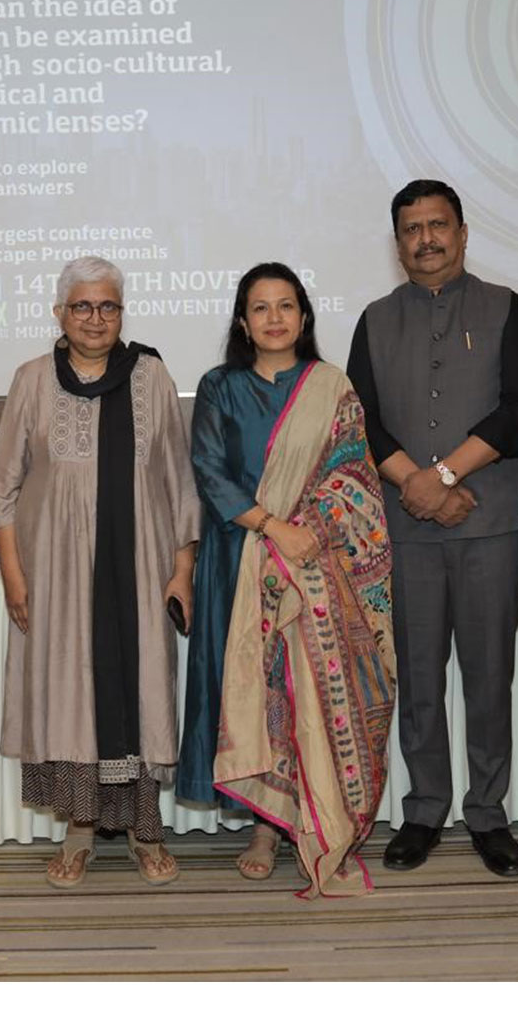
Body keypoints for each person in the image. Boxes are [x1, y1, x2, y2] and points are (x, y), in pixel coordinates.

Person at [346, 179, 518, 878]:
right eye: (411, 229)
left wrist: (447, 478)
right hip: (407, 534)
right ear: (397, 242)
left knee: (490, 679)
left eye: (438, 226)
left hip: (488, 528)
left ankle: (488, 815)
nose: (425, 239)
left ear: (462, 233)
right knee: (419, 680)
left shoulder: (507, 310)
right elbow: (362, 419)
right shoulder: (374, 320)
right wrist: (416, 485)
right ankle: (425, 808)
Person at [182, 263, 396, 898]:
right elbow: (208, 470)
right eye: (259, 308)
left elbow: (354, 477)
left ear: (303, 317)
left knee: (302, 691)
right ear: (243, 323)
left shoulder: (331, 386)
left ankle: (302, 815)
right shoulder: (219, 386)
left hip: (314, 567)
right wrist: (275, 528)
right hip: (239, 557)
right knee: (249, 688)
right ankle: (261, 827)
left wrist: (304, 536)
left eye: (285, 306)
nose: (273, 318)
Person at [0, 257, 199, 888]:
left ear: (122, 313)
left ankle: (144, 832)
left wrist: (182, 570)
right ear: (60, 313)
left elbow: (179, 482)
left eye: (108, 306)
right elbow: (2, 490)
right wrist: (13, 576)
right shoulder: (31, 380)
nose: (96, 318)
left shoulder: (152, 376)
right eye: (82, 306)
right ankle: (78, 834)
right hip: (57, 577)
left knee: (140, 691)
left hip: (138, 570)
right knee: (70, 695)